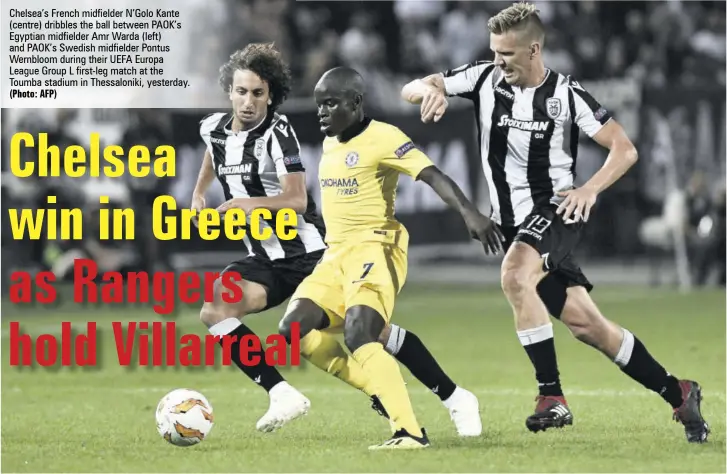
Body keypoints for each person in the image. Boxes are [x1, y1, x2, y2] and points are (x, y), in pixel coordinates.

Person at [400, 2, 709, 443]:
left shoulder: (566, 95)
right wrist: (426, 91)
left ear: (534, 49)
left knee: (514, 274)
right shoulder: (484, 78)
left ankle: (552, 397)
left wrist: (588, 189)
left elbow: (624, 148)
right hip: (511, 225)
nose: (497, 61)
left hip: (555, 212)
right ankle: (678, 392)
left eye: (506, 53)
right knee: (590, 327)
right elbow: (415, 86)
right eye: (493, 51)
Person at [193, 43, 484, 436]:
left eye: (258, 93)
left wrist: (247, 203)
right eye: (241, 92)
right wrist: (199, 192)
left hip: (310, 253)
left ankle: (450, 397)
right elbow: (214, 152)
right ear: (229, 90)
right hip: (264, 257)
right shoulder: (213, 127)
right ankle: (283, 393)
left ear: (272, 96)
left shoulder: (279, 134)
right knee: (218, 309)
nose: (248, 102)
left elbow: (297, 199)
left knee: (369, 332)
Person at [277, 66, 504, 450]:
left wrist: (470, 212)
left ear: (356, 102)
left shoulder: (384, 137)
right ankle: (408, 392)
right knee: (293, 330)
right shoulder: (330, 143)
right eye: (319, 105)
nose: (322, 112)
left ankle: (409, 432)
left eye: (331, 103)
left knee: (358, 333)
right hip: (335, 258)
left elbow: (432, 175)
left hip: (376, 248)